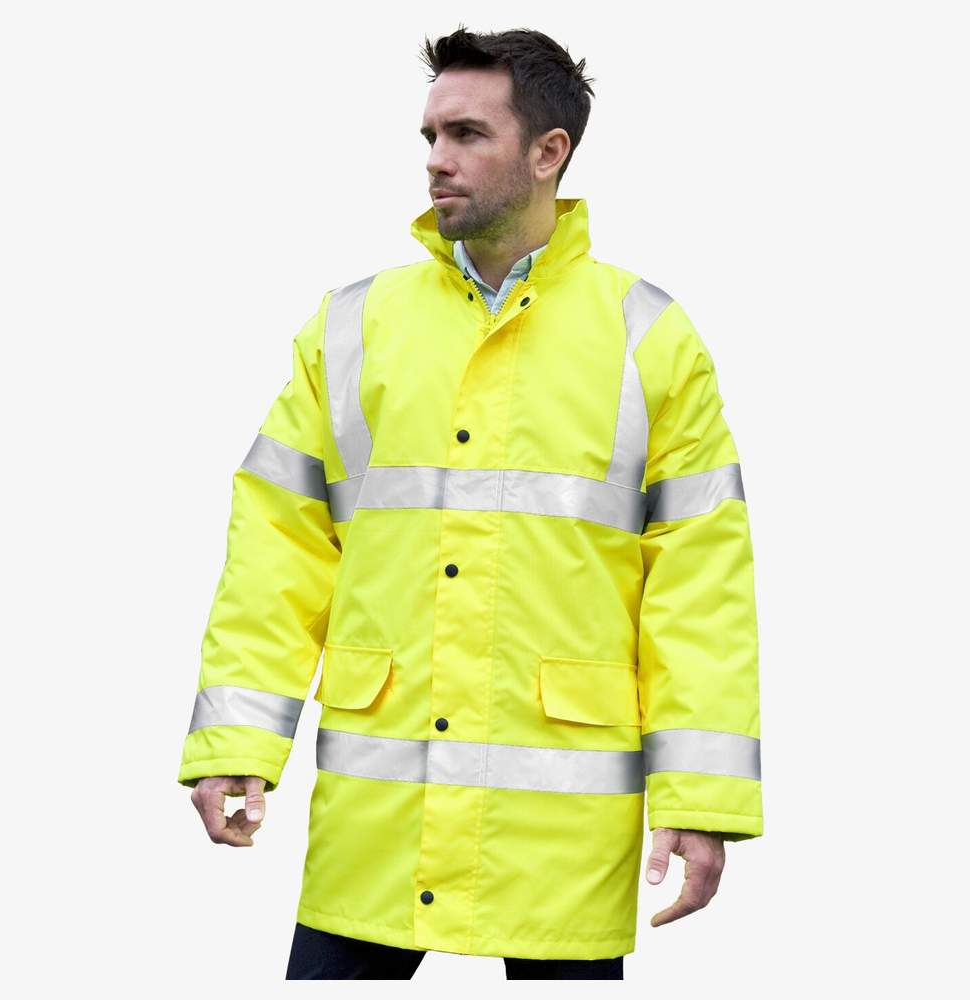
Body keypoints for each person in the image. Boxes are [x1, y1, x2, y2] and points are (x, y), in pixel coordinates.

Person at [178, 25, 763, 981]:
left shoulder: (646, 336)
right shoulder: (353, 324)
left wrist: (700, 798)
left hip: (560, 835)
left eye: (467, 135)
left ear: (548, 152)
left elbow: (701, 583)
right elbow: (276, 547)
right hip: (380, 824)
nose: (436, 161)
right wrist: (237, 737)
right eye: (429, 136)